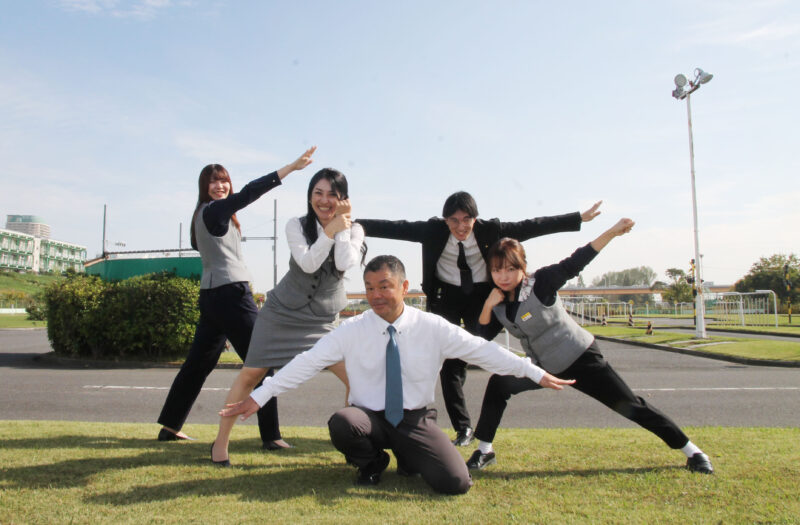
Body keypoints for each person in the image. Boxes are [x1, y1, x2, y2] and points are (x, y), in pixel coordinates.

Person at [220, 255, 575, 494]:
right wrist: (258, 396)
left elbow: (484, 350)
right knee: (342, 422)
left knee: (456, 483)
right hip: (368, 417)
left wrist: (534, 372)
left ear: (404, 288)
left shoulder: (432, 327)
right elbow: (306, 362)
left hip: (415, 418)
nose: (376, 295)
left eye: (385, 286)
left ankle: (409, 456)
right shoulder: (351, 330)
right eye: (370, 287)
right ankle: (371, 462)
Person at [465, 219, 714, 474]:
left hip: (581, 358)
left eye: (509, 269)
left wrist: (611, 233)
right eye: (497, 270)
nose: (503, 276)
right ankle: (485, 451)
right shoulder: (498, 302)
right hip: (544, 369)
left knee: (631, 405)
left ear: (523, 267)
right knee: (499, 384)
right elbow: (481, 336)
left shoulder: (542, 283)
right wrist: (487, 305)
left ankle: (692, 451)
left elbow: (577, 260)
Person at [357, 193, 602, 446]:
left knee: (473, 349)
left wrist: (577, 218)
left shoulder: (490, 229)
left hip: (482, 297)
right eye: (453, 221)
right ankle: (463, 429)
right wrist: (354, 224)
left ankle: (494, 404)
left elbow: (531, 226)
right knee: (451, 364)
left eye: (467, 220)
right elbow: (395, 228)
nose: (461, 227)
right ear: (445, 220)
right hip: (446, 297)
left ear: (476, 218)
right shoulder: (433, 230)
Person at [156, 146, 317, 446]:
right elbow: (249, 193)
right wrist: (290, 169)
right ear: (205, 186)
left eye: (224, 180)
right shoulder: (216, 210)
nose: (221, 185)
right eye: (214, 181)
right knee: (262, 364)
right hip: (230, 294)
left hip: (212, 296)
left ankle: (170, 427)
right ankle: (271, 437)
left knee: (196, 367)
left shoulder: (203, 215)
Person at [211, 168, 365, 465]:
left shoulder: (355, 230)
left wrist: (341, 228)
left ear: (343, 199)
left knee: (355, 378)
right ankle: (220, 445)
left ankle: (355, 445)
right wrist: (330, 231)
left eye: (332, 195)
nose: (323, 200)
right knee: (251, 374)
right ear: (309, 197)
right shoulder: (296, 225)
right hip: (281, 312)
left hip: (321, 319)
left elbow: (345, 262)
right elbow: (307, 264)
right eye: (317, 193)